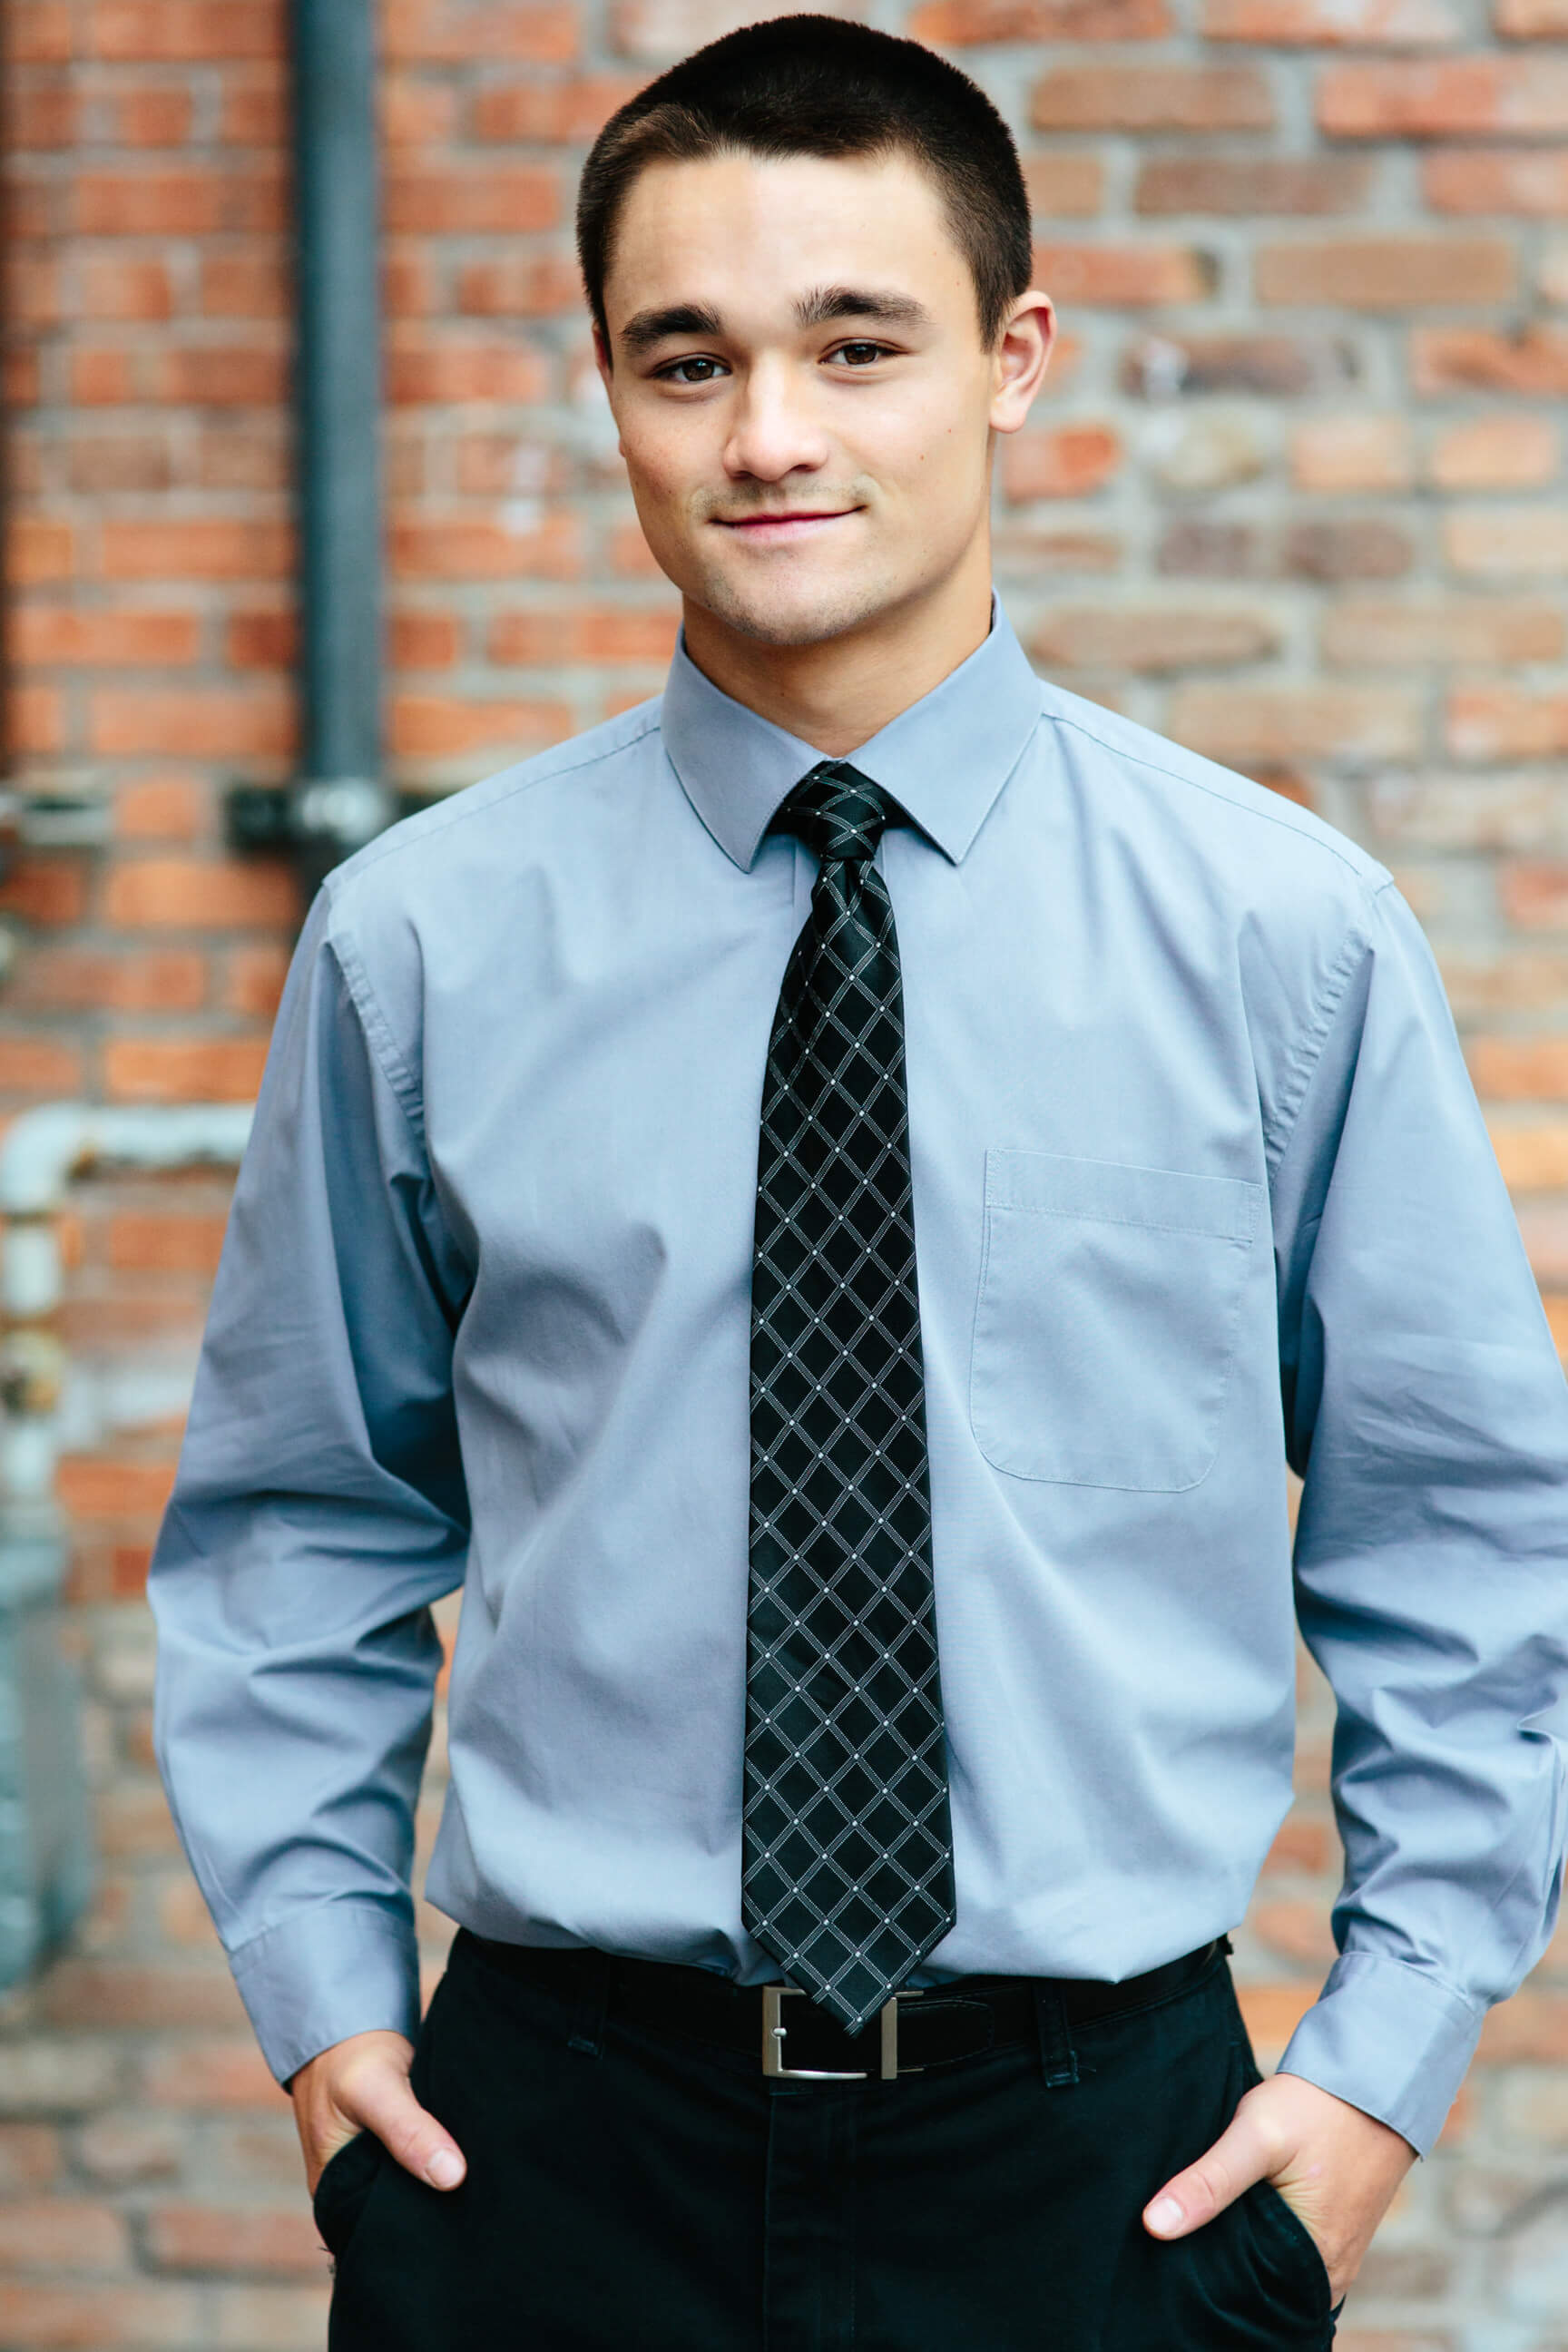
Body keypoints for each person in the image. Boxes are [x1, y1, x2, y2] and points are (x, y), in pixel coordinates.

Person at [149, 16, 1568, 2347]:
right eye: (685, 358)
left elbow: (1460, 1541)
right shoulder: (419, 942)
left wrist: (1382, 2078)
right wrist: (324, 2026)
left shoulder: (1283, 937)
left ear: (1012, 361)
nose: (770, 433)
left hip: (1107, 2174)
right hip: (549, 2167)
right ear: (608, 386)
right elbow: (298, 1526)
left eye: (855, 344)